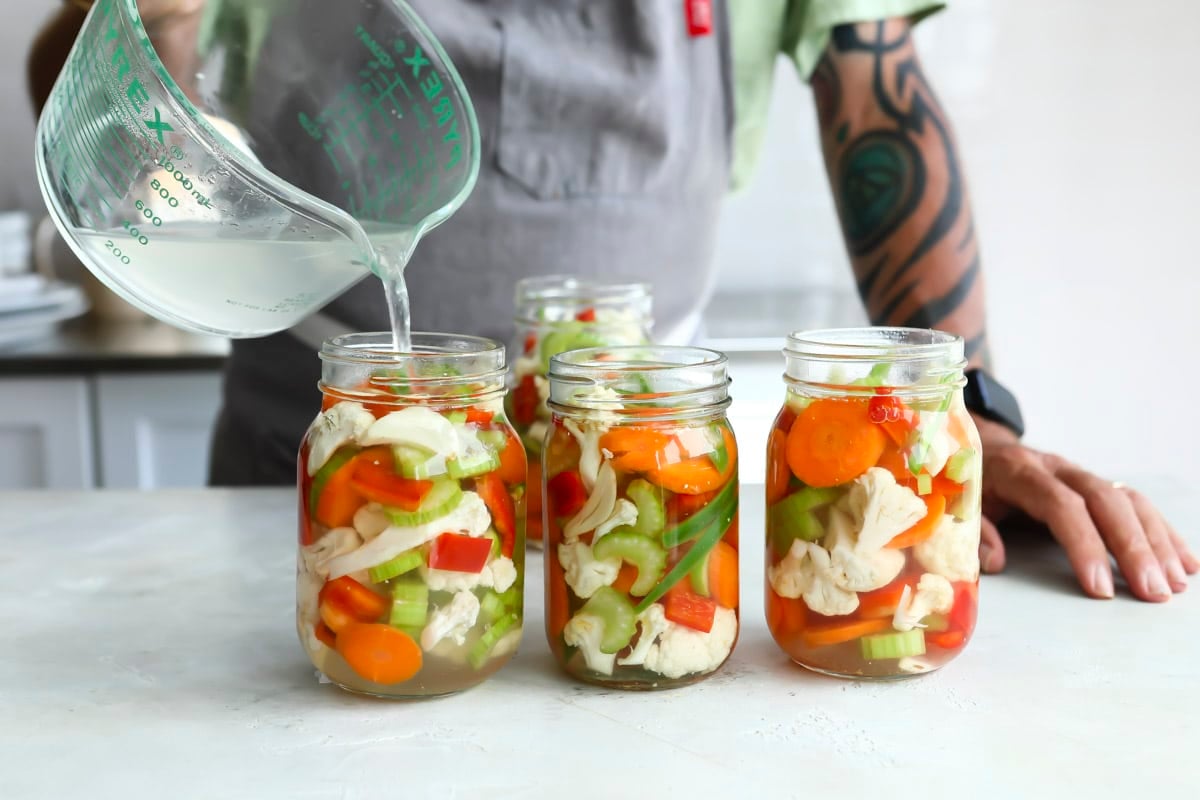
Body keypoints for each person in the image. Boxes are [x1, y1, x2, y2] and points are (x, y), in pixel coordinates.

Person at [28, 0, 1196, 602]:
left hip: (636, 473)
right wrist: (155, 17)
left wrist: (960, 411)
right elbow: (84, 95)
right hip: (308, 460)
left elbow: (876, 88)